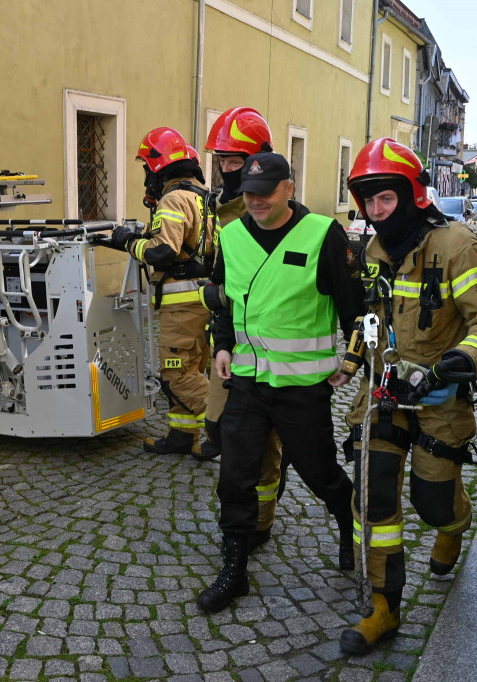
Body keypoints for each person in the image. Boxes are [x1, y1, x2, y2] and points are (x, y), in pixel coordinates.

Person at [338, 138, 477, 655]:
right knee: (374, 492)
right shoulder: (371, 252)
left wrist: (454, 366)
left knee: (432, 500)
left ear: (412, 195)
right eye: (368, 201)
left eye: (386, 198)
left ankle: (453, 525)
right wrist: (351, 362)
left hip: (438, 399)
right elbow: (370, 319)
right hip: (383, 393)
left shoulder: (458, 245)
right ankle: (383, 607)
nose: (376, 210)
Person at [195, 152, 364, 613]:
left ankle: (351, 528)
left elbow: (356, 309)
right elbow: (222, 300)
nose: (255, 202)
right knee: (235, 475)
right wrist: (223, 346)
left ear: (289, 187)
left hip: (301, 387)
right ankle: (234, 570)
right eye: (248, 194)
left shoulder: (322, 235)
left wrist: (352, 360)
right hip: (247, 383)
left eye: (265, 193)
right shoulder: (231, 237)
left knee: (319, 473)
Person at [198, 107, 284, 553]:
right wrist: (213, 289)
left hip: (270, 346)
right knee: (217, 429)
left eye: (237, 161)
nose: (229, 170)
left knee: (261, 443)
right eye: (224, 161)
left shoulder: (269, 209)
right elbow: (223, 270)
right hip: (230, 341)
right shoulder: (222, 209)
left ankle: (261, 521)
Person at [108, 127, 215, 457]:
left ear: (159, 167)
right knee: (193, 367)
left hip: (182, 304)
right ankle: (183, 436)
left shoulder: (173, 199)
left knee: (175, 375)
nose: (146, 178)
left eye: (146, 169)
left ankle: (231, 423)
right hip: (203, 299)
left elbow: (162, 252)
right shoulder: (204, 197)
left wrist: (128, 241)